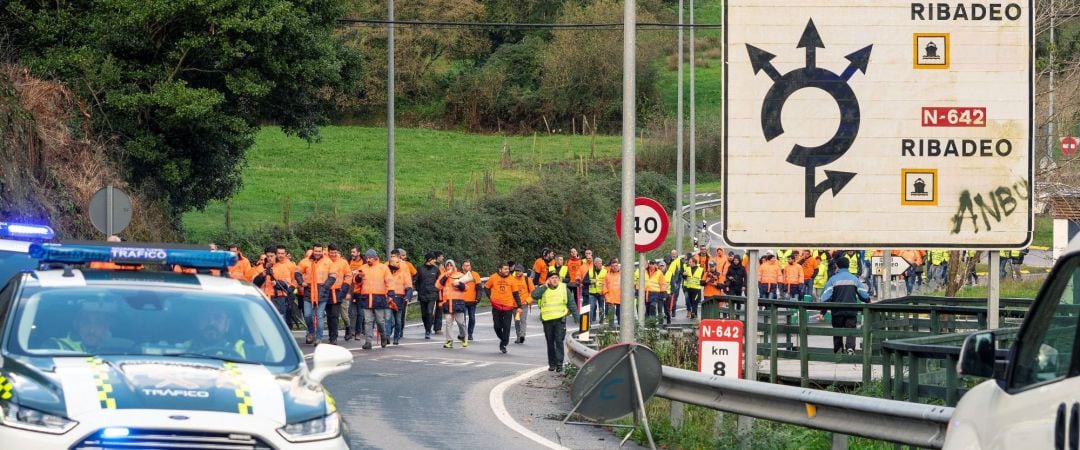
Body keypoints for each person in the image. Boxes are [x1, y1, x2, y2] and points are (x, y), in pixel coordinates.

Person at [821, 258, 871, 355]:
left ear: (837, 266)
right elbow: (863, 294)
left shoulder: (833, 279)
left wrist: (823, 311)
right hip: (851, 310)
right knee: (851, 329)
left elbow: (825, 297)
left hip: (837, 311)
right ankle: (850, 349)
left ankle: (838, 349)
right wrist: (868, 300)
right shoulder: (854, 279)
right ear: (848, 266)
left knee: (837, 330)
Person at [532, 272, 579, 372]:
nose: (554, 280)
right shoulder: (543, 288)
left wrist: (577, 318)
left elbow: (571, 303)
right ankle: (552, 364)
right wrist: (544, 286)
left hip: (560, 320)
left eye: (556, 278)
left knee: (558, 341)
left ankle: (559, 364)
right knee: (550, 342)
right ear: (548, 279)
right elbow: (534, 295)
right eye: (552, 278)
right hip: (547, 320)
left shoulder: (563, 288)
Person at [295, 244, 336, 345]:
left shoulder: (328, 262)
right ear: (313, 251)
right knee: (307, 314)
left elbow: (333, 277)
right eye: (316, 251)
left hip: (322, 291)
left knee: (319, 316)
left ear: (322, 251)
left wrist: (325, 287)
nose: (317, 253)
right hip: (308, 290)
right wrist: (301, 282)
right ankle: (311, 331)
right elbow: (297, 273)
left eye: (319, 251)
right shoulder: (305, 261)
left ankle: (318, 338)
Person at [355, 248, 394, 349]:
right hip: (366, 298)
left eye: (370, 258)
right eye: (367, 258)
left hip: (379, 298)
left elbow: (389, 281)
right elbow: (356, 282)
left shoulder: (383, 268)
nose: (368, 260)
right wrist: (359, 277)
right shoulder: (362, 268)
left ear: (375, 258)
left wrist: (390, 293)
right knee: (368, 321)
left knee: (380, 321)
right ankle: (368, 342)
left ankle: (383, 336)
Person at [485, 261, 522, 353]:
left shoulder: (512, 279)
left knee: (506, 326)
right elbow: (486, 287)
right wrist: (490, 297)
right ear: (500, 269)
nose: (507, 270)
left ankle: (503, 344)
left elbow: (516, 293)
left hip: (508, 306)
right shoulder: (493, 277)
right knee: (497, 326)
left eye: (508, 269)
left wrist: (519, 305)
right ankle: (503, 338)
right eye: (505, 269)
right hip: (496, 306)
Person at [250, 246, 297, 319]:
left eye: (271, 256)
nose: (269, 258)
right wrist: (262, 275)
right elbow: (254, 283)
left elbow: (287, 285)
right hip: (263, 298)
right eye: (268, 256)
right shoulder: (259, 268)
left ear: (276, 255)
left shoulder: (282, 268)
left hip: (278, 299)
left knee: (278, 322)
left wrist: (276, 282)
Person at [437, 260, 469, 349]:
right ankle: (449, 341)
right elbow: (438, 286)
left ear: (454, 266)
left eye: (451, 265)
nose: (449, 266)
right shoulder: (443, 275)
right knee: (448, 322)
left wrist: (459, 285)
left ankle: (463, 337)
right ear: (445, 266)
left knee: (460, 323)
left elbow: (466, 288)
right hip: (447, 303)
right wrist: (445, 277)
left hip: (458, 302)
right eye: (447, 265)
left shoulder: (460, 275)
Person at [386, 249, 414, 345]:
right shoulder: (386, 270)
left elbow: (408, 284)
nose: (395, 263)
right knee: (388, 319)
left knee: (398, 321)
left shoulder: (404, 271)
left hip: (400, 299)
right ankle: (387, 336)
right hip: (389, 298)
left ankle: (396, 337)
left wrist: (408, 296)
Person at [324, 244, 351, 345]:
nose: (334, 254)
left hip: (338, 291)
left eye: (335, 252)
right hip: (326, 292)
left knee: (335, 315)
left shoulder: (343, 262)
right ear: (328, 252)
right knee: (329, 316)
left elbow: (348, 276)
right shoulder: (325, 262)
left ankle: (334, 337)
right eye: (332, 252)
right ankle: (331, 335)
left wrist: (344, 289)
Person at [414, 252, 442, 339]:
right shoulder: (420, 268)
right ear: (429, 260)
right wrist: (419, 289)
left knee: (430, 312)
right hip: (422, 295)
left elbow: (440, 281)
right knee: (424, 314)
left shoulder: (436, 269)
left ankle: (428, 331)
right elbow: (416, 280)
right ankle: (427, 327)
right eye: (434, 259)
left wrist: (436, 290)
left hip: (432, 295)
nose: (435, 261)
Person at [511, 263, 535, 343]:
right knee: (517, 321)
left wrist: (528, 301)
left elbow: (533, 292)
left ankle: (522, 335)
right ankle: (518, 337)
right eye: (516, 271)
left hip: (524, 304)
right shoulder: (512, 279)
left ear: (522, 271)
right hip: (514, 305)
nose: (518, 272)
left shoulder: (527, 280)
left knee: (523, 320)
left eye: (519, 271)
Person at [459, 260, 482, 341]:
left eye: (469, 265)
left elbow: (479, 288)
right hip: (462, 301)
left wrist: (478, 298)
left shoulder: (475, 275)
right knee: (462, 319)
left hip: (472, 301)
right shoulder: (459, 275)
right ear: (462, 267)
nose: (468, 267)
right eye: (466, 265)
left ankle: (470, 333)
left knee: (472, 318)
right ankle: (463, 333)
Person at [582, 257, 605, 323]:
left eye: (601, 263)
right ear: (595, 263)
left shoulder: (605, 271)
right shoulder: (590, 271)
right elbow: (584, 281)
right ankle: (589, 322)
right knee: (591, 307)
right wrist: (590, 281)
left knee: (601, 308)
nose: (600, 264)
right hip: (592, 293)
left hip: (601, 293)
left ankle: (601, 322)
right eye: (599, 263)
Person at [601, 259, 622, 325]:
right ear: (611, 267)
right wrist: (606, 296)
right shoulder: (607, 275)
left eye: (616, 266)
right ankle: (610, 327)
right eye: (613, 266)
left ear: (618, 266)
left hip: (620, 298)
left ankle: (621, 327)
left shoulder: (623, 275)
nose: (615, 267)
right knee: (611, 314)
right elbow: (604, 286)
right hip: (610, 298)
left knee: (620, 314)